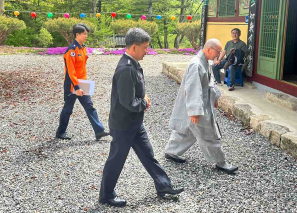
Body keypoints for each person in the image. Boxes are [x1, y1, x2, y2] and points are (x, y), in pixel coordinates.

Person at [99, 28, 184, 208]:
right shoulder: (126, 68)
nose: (147, 51)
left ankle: (163, 186)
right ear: (134, 47)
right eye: (145, 48)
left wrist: (143, 101)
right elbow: (128, 102)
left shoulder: (133, 64)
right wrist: (144, 102)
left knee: (148, 155)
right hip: (123, 124)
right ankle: (106, 195)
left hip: (134, 122)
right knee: (116, 160)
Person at [164, 39, 238, 174]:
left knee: (187, 130)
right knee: (209, 134)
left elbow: (210, 82)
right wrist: (194, 111)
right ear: (209, 49)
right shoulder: (196, 64)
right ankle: (221, 162)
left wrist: (215, 96)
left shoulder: (204, 62)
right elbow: (192, 88)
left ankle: (171, 151)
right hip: (198, 107)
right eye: (218, 51)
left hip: (201, 104)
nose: (219, 54)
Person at [55, 23, 109, 141]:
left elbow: (82, 69)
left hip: (82, 83)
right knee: (68, 109)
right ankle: (60, 132)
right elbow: (71, 70)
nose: (86, 36)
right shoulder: (72, 50)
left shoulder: (83, 48)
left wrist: (83, 84)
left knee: (90, 107)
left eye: (86, 34)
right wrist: (77, 87)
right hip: (72, 84)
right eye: (84, 34)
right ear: (77, 34)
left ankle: (99, 131)